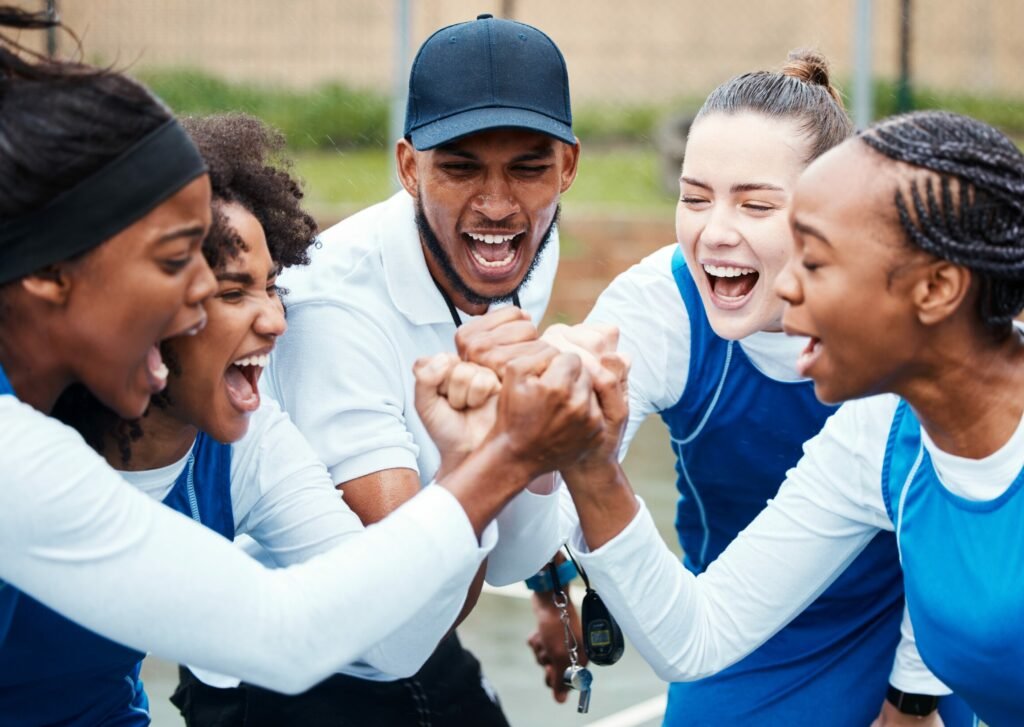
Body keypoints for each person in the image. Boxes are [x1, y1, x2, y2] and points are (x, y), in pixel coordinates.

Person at [0, 8, 605, 718]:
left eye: (250, 281)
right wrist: (499, 461)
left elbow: (390, 643)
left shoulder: (248, 438)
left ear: (565, 169)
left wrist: (478, 466)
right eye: (179, 265)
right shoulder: (19, 453)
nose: (274, 315)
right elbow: (284, 630)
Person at [527, 52, 970, 725]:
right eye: (694, 196)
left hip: (914, 625)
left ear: (830, 212)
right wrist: (553, 573)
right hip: (737, 630)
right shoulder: (656, 306)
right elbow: (553, 495)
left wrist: (910, 698)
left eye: (756, 203)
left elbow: (957, 538)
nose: (716, 230)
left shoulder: (902, 323)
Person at [177, 13, 582, 725]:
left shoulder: (521, 250)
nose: (496, 204)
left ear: (567, 168)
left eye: (528, 166)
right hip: (282, 666)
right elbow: (388, 623)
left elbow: (501, 555)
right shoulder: (331, 314)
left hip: (421, 628)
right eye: (458, 166)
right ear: (408, 167)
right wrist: (498, 456)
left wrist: (554, 558)